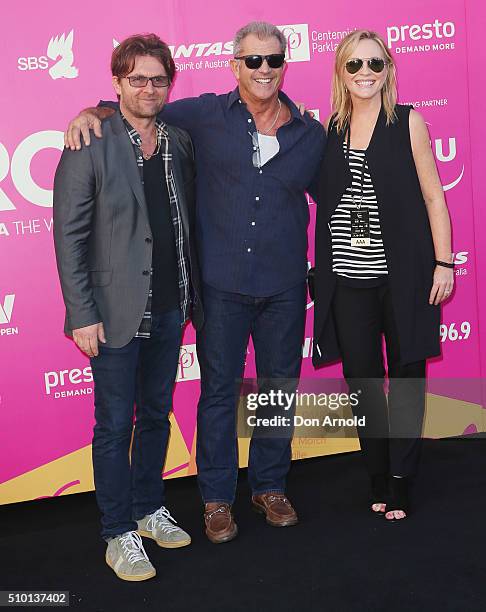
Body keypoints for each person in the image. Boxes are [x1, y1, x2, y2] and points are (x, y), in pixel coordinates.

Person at [65, 21, 326, 543]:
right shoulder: (203, 115)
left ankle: (270, 485)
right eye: (253, 61)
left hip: (284, 288)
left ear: (284, 66)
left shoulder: (309, 134)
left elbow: (344, 197)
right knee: (218, 393)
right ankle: (215, 499)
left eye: (273, 60)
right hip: (220, 288)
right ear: (235, 65)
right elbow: (139, 107)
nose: (264, 70)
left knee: (278, 390)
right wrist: (93, 109)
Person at [53, 33, 203, 580]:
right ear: (116, 83)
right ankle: (117, 532)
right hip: (112, 312)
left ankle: (147, 509)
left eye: (158, 79)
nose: (147, 88)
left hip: (169, 307)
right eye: (136, 78)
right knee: (115, 425)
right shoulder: (89, 141)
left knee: (157, 416)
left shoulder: (178, 140)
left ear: (169, 84)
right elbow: (68, 236)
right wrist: (81, 313)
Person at [312, 30, 454, 521]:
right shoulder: (329, 128)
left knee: (408, 376)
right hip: (348, 280)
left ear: (388, 69)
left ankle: (401, 478)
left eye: (375, 64)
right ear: (341, 72)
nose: (365, 73)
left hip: (406, 276)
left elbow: (434, 195)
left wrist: (444, 261)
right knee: (364, 383)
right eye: (355, 65)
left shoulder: (409, 121)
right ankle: (376, 470)